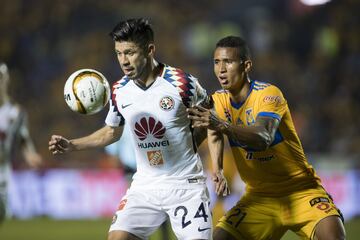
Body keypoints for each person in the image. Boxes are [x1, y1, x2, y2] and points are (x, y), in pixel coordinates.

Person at [49, 18, 212, 240]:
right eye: (118, 53)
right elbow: (111, 132)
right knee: (117, 238)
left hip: (185, 186)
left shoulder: (182, 83)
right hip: (145, 185)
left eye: (130, 52)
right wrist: (72, 145)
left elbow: (210, 116)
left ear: (150, 50)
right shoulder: (119, 91)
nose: (123, 61)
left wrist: (195, 146)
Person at [187, 36, 346, 240]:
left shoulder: (269, 95)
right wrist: (216, 169)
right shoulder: (218, 100)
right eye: (217, 62)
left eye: (228, 61)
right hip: (258, 198)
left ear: (246, 65)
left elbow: (262, 137)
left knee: (334, 237)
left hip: (302, 191)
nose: (221, 69)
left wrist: (221, 124)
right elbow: (206, 135)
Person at [0, 62, 43, 224]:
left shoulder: (16, 112)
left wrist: (30, 154)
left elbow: (23, 139)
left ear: (6, 80)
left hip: (3, 171)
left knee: (2, 214)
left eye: (0, 78)